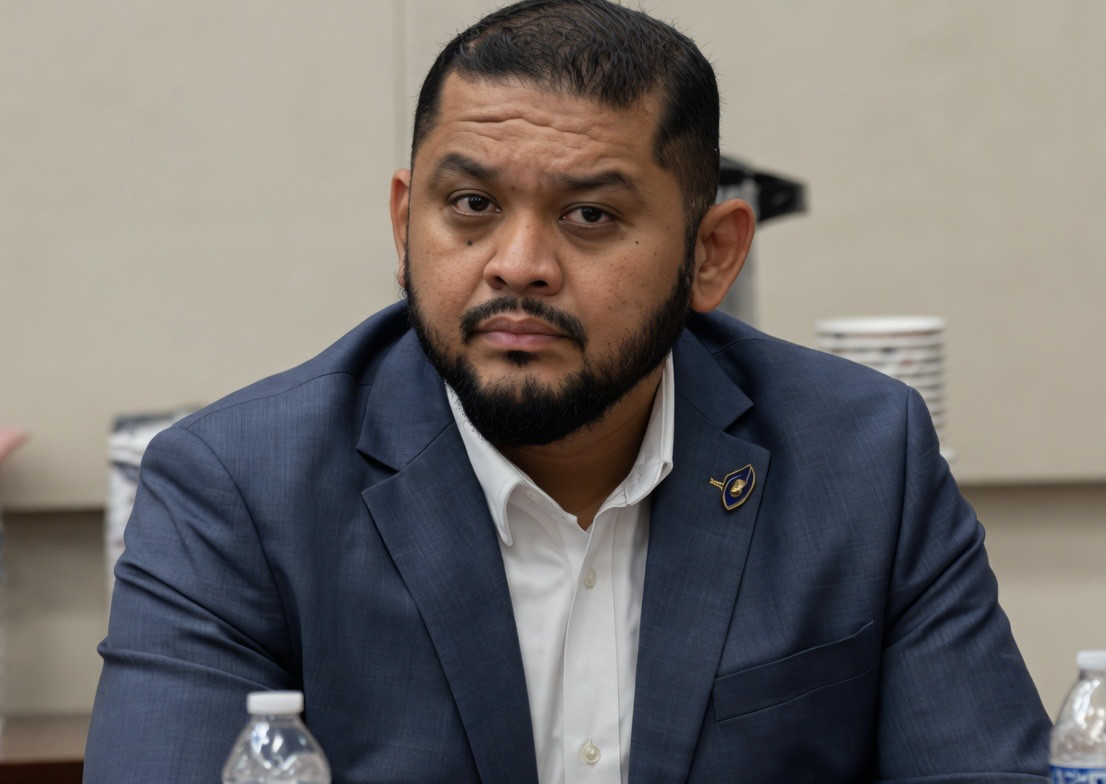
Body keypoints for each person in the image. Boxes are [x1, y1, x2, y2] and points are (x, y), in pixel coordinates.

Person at [85, 1, 1052, 781]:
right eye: (471, 206)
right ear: (404, 225)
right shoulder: (239, 489)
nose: (518, 264)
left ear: (712, 256)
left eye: (589, 215)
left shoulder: (864, 460)